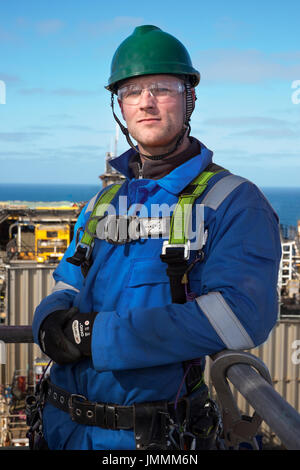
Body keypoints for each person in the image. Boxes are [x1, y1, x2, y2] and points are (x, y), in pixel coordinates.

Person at [32, 25, 282, 450]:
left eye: (161, 88)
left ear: (189, 99)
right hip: (61, 428)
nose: (146, 102)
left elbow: (241, 316)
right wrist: (48, 322)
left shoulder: (233, 201)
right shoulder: (103, 203)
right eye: (132, 91)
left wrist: (96, 337)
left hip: (153, 438)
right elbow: (67, 285)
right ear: (120, 106)